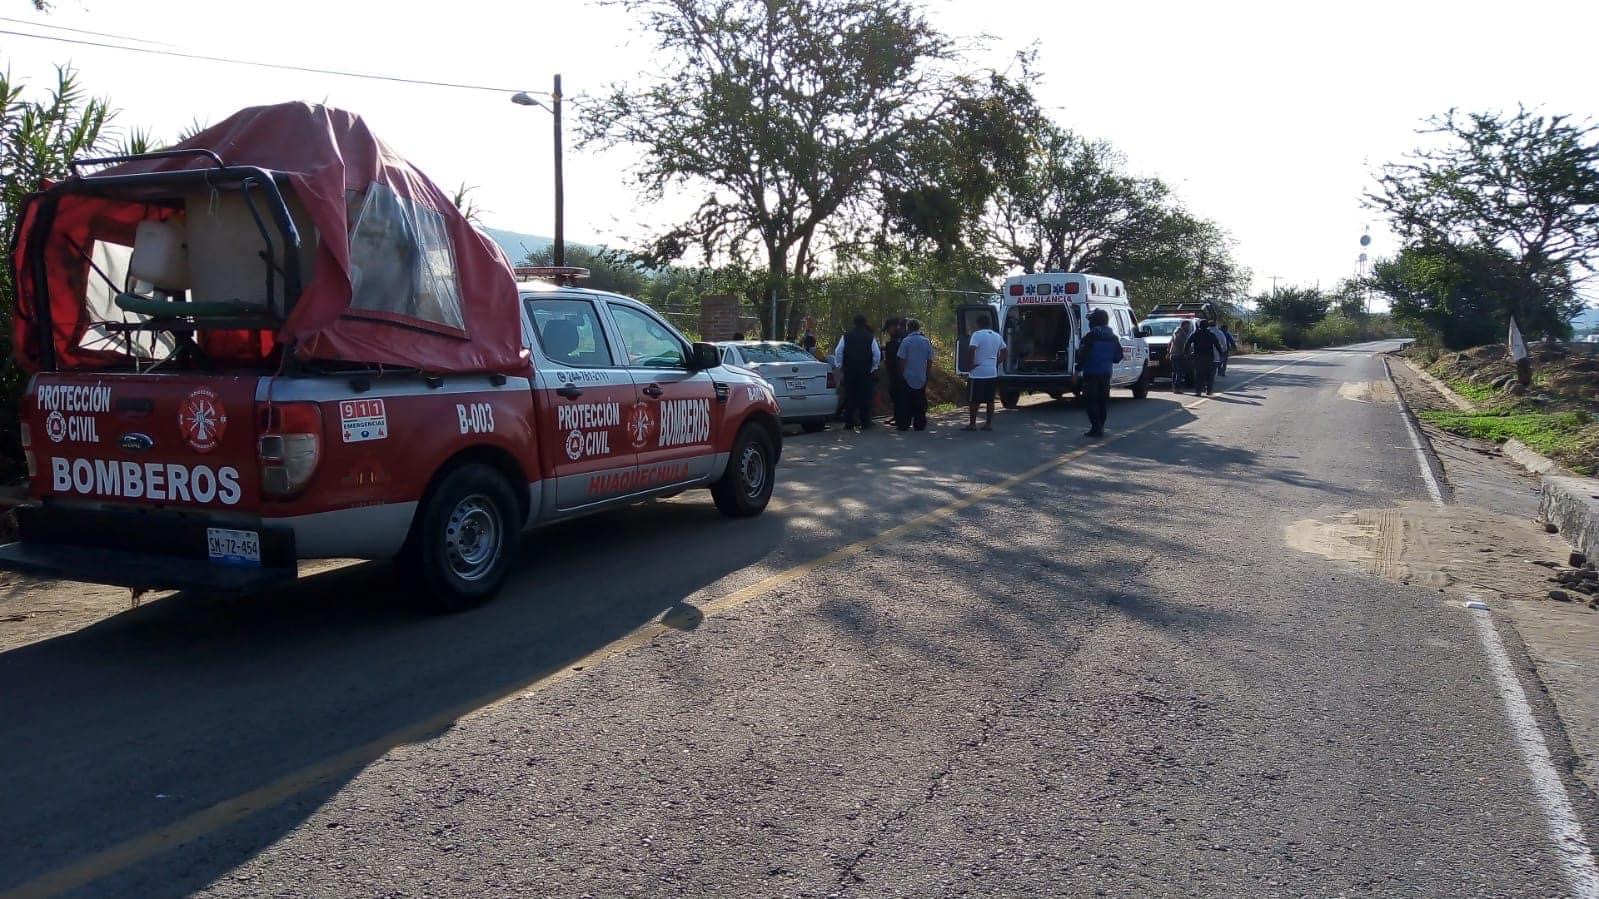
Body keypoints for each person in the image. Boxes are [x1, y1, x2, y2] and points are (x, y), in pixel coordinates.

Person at [1076, 308, 1124, 438]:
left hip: (1091, 373)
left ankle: (1095, 427)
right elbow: (1118, 357)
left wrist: (1077, 370)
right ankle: (1100, 426)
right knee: (1102, 401)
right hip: (1106, 373)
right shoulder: (1113, 337)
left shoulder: (1090, 337)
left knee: (1091, 401)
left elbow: (1082, 355)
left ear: (1095, 321)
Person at [831, 315, 880, 432]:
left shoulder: (846, 336)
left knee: (850, 396)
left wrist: (840, 365)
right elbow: (876, 354)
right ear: (865, 323)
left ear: (854, 323)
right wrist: (873, 368)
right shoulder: (870, 337)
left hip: (850, 371)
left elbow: (838, 351)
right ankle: (865, 422)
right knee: (865, 397)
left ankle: (849, 422)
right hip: (865, 371)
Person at [963, 314, 1006, 431]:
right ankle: (988, 424)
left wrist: (970, 364)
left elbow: (972, 349)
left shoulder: (977, 335)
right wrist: (997, 362)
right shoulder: (997, 336)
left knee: (974, 399)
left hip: (977, 372)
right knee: (990, 400)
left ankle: (972, 424)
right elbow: (1005, 351)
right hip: (992, 372)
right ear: (989, 324)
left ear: (978, 324)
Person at [896, 318, 933, 431]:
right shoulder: (925, 341)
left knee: (905, 401)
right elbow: (930, 359)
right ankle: (920, 424)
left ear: (908, 328)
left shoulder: (906, 341)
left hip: (908, 375)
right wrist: (927, 372)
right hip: (921, 375)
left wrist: (901, 373)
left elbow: (902, 359)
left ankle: (904, 424)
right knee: (920, 401)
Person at [882, 318, 908, 428]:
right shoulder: (897, 338)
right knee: (896, 395)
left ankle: (901, 420)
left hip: (899, 372)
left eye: (888, 329)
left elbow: (898, 356)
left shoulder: (902, 338)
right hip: (895, 372)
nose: (887, 332)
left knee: (900, 396)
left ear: (893, 327)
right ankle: (898, 417)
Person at [1187, 319, 1221, 396]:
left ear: (1199, 325)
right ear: (1207, 326)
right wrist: (1221, 354)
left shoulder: (1195, 334)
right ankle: (1208, 390)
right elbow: (1217, 345)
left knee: (1199, 374)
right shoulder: (1211, 334)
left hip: (1198, 357)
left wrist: (1186, 353)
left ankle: (1198, 391)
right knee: (1209, 374)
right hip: (1209, 357)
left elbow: (1187, 343)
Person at [1169, 318, 1193, 393]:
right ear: (1183, 326)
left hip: (1174, 354)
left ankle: (1174, 387)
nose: (1188, 327)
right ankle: (1177, 388)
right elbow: (1180, 344)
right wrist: (1186, 352)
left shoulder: (1178, 332)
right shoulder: (1179, 332)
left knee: (1175, 371)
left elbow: (1170, 343)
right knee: (1179, 372)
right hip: (1178, 354)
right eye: (1187, 326)